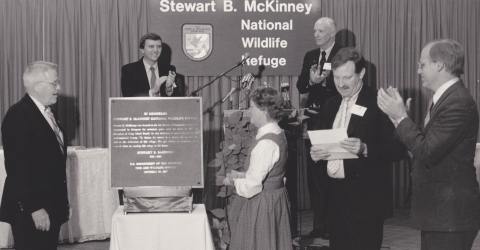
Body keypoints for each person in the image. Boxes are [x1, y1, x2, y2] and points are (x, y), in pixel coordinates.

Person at [377, 39, 480, 250]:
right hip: (441, 215)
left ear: (440, 65)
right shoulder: (443, 99)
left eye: (422, 65)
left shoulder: (457, 101)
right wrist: (398, 119)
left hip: (450, 217)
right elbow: (423, 148)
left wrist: (400, 118)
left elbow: (426, 152)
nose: (418, 71)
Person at [310, 47, 406, 249]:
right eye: (336, 78)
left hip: (366, 201)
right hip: (335, 198)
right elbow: (320, 142)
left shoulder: (379, 102)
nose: (341, 84)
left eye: (347, 77)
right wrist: (316, 153)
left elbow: (398, 148)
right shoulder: (330, 104)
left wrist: (365, 148)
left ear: (361, 74)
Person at [0, 61, 70, 249]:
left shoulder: (46, 112)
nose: (59, 88)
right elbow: (17, 169)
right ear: (38, 87)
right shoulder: (18, 115)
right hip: (32, 211)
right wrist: (35, 208)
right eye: (54, 83)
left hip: (49, 206)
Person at [224, 87, 292, 250]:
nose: (249, 111)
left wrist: (235, 181)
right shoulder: (278, 133)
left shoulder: (265, 144)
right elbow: (271, 174)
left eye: (252, 107)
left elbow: (252, 187)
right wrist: (242, 174)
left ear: (264, 110)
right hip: (274, 201)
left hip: (261, 206)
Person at [296, 17, 343, 239]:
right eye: (314, 30)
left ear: (332, 33)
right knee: (315, 176)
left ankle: (335, 224)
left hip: (336, 121)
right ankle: (320, 225)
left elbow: (347, 86)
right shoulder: (310, 56)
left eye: (321, 31)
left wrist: (325, 82)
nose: (316, 34)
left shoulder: (344, 54)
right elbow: (300, 86)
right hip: (314, 121)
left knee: (333, 173)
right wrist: (312, 81)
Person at [121, 32, 182, 97]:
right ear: (142, 50)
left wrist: (169, 88)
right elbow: (128, 98)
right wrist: (153, 91)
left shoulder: (169, 69)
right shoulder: (129, 70)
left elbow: (178, 101)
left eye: (158, 46)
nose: (156, 50)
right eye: (151, 46)